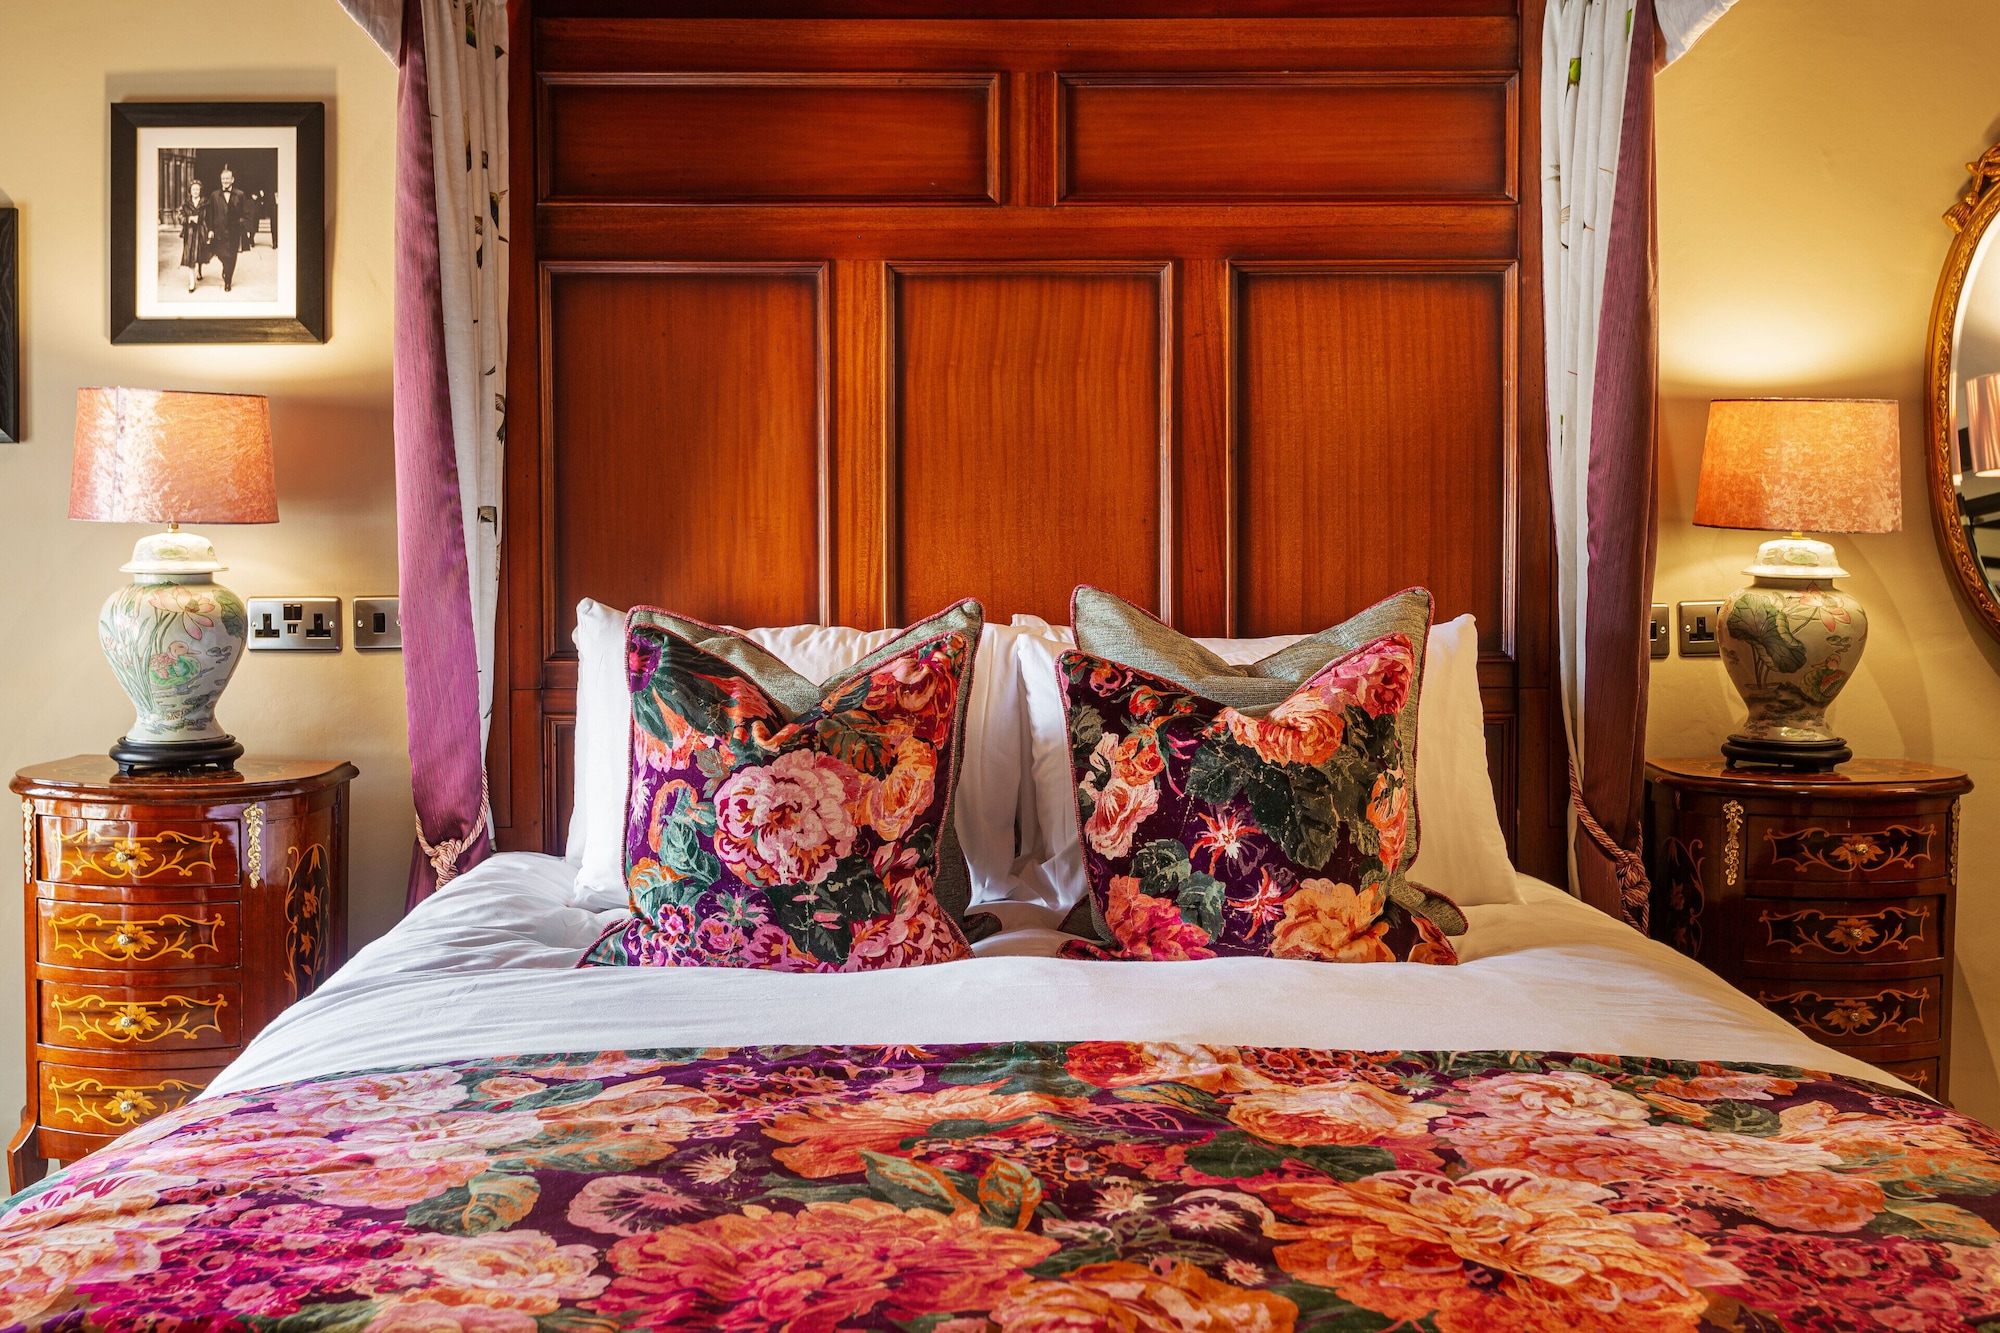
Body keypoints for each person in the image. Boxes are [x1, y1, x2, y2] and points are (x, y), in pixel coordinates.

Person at [203, 165, 252, 292]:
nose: (225, 181)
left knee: (232, 255)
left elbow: (246, 214)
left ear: (232, 180)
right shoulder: (214, 195)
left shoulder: (240, 195)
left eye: (227, 178)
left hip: (234, 232)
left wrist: (239, 224)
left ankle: (228, 281)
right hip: (219, 231)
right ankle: (226, 268)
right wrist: (211, 230)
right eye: (223, 179)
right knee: (220, 254)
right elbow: (210, 214)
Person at [178, 178, 207, 293]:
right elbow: (180, 216)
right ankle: (192, 282)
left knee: (200, 254)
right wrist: (189, 218)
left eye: (197, 189)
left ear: (200, 191)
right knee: (191, 256)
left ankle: (199, 270)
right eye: (193, 189)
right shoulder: (185, 204)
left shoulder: (205, 203)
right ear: (190, 191)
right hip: (189, 233)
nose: (195, 191)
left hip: (201, 232)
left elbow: (208, 217)